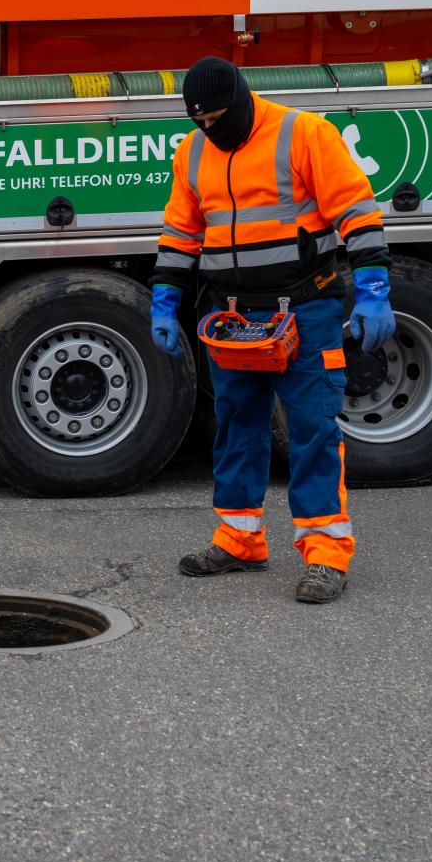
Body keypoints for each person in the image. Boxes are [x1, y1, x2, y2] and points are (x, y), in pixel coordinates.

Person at [149, 57, 394, 605]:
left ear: (240, 100)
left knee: (311, 429)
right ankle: (239, 539)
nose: (210, 130)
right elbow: (181, 232)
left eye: (217, 118)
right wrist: (164, 303)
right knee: (237, 425)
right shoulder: (191, 152)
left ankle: (326, 554)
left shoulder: (302, 133)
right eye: (200, 121)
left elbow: (356, 211)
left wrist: (375, 290)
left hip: (305, 310)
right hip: (233, 318)